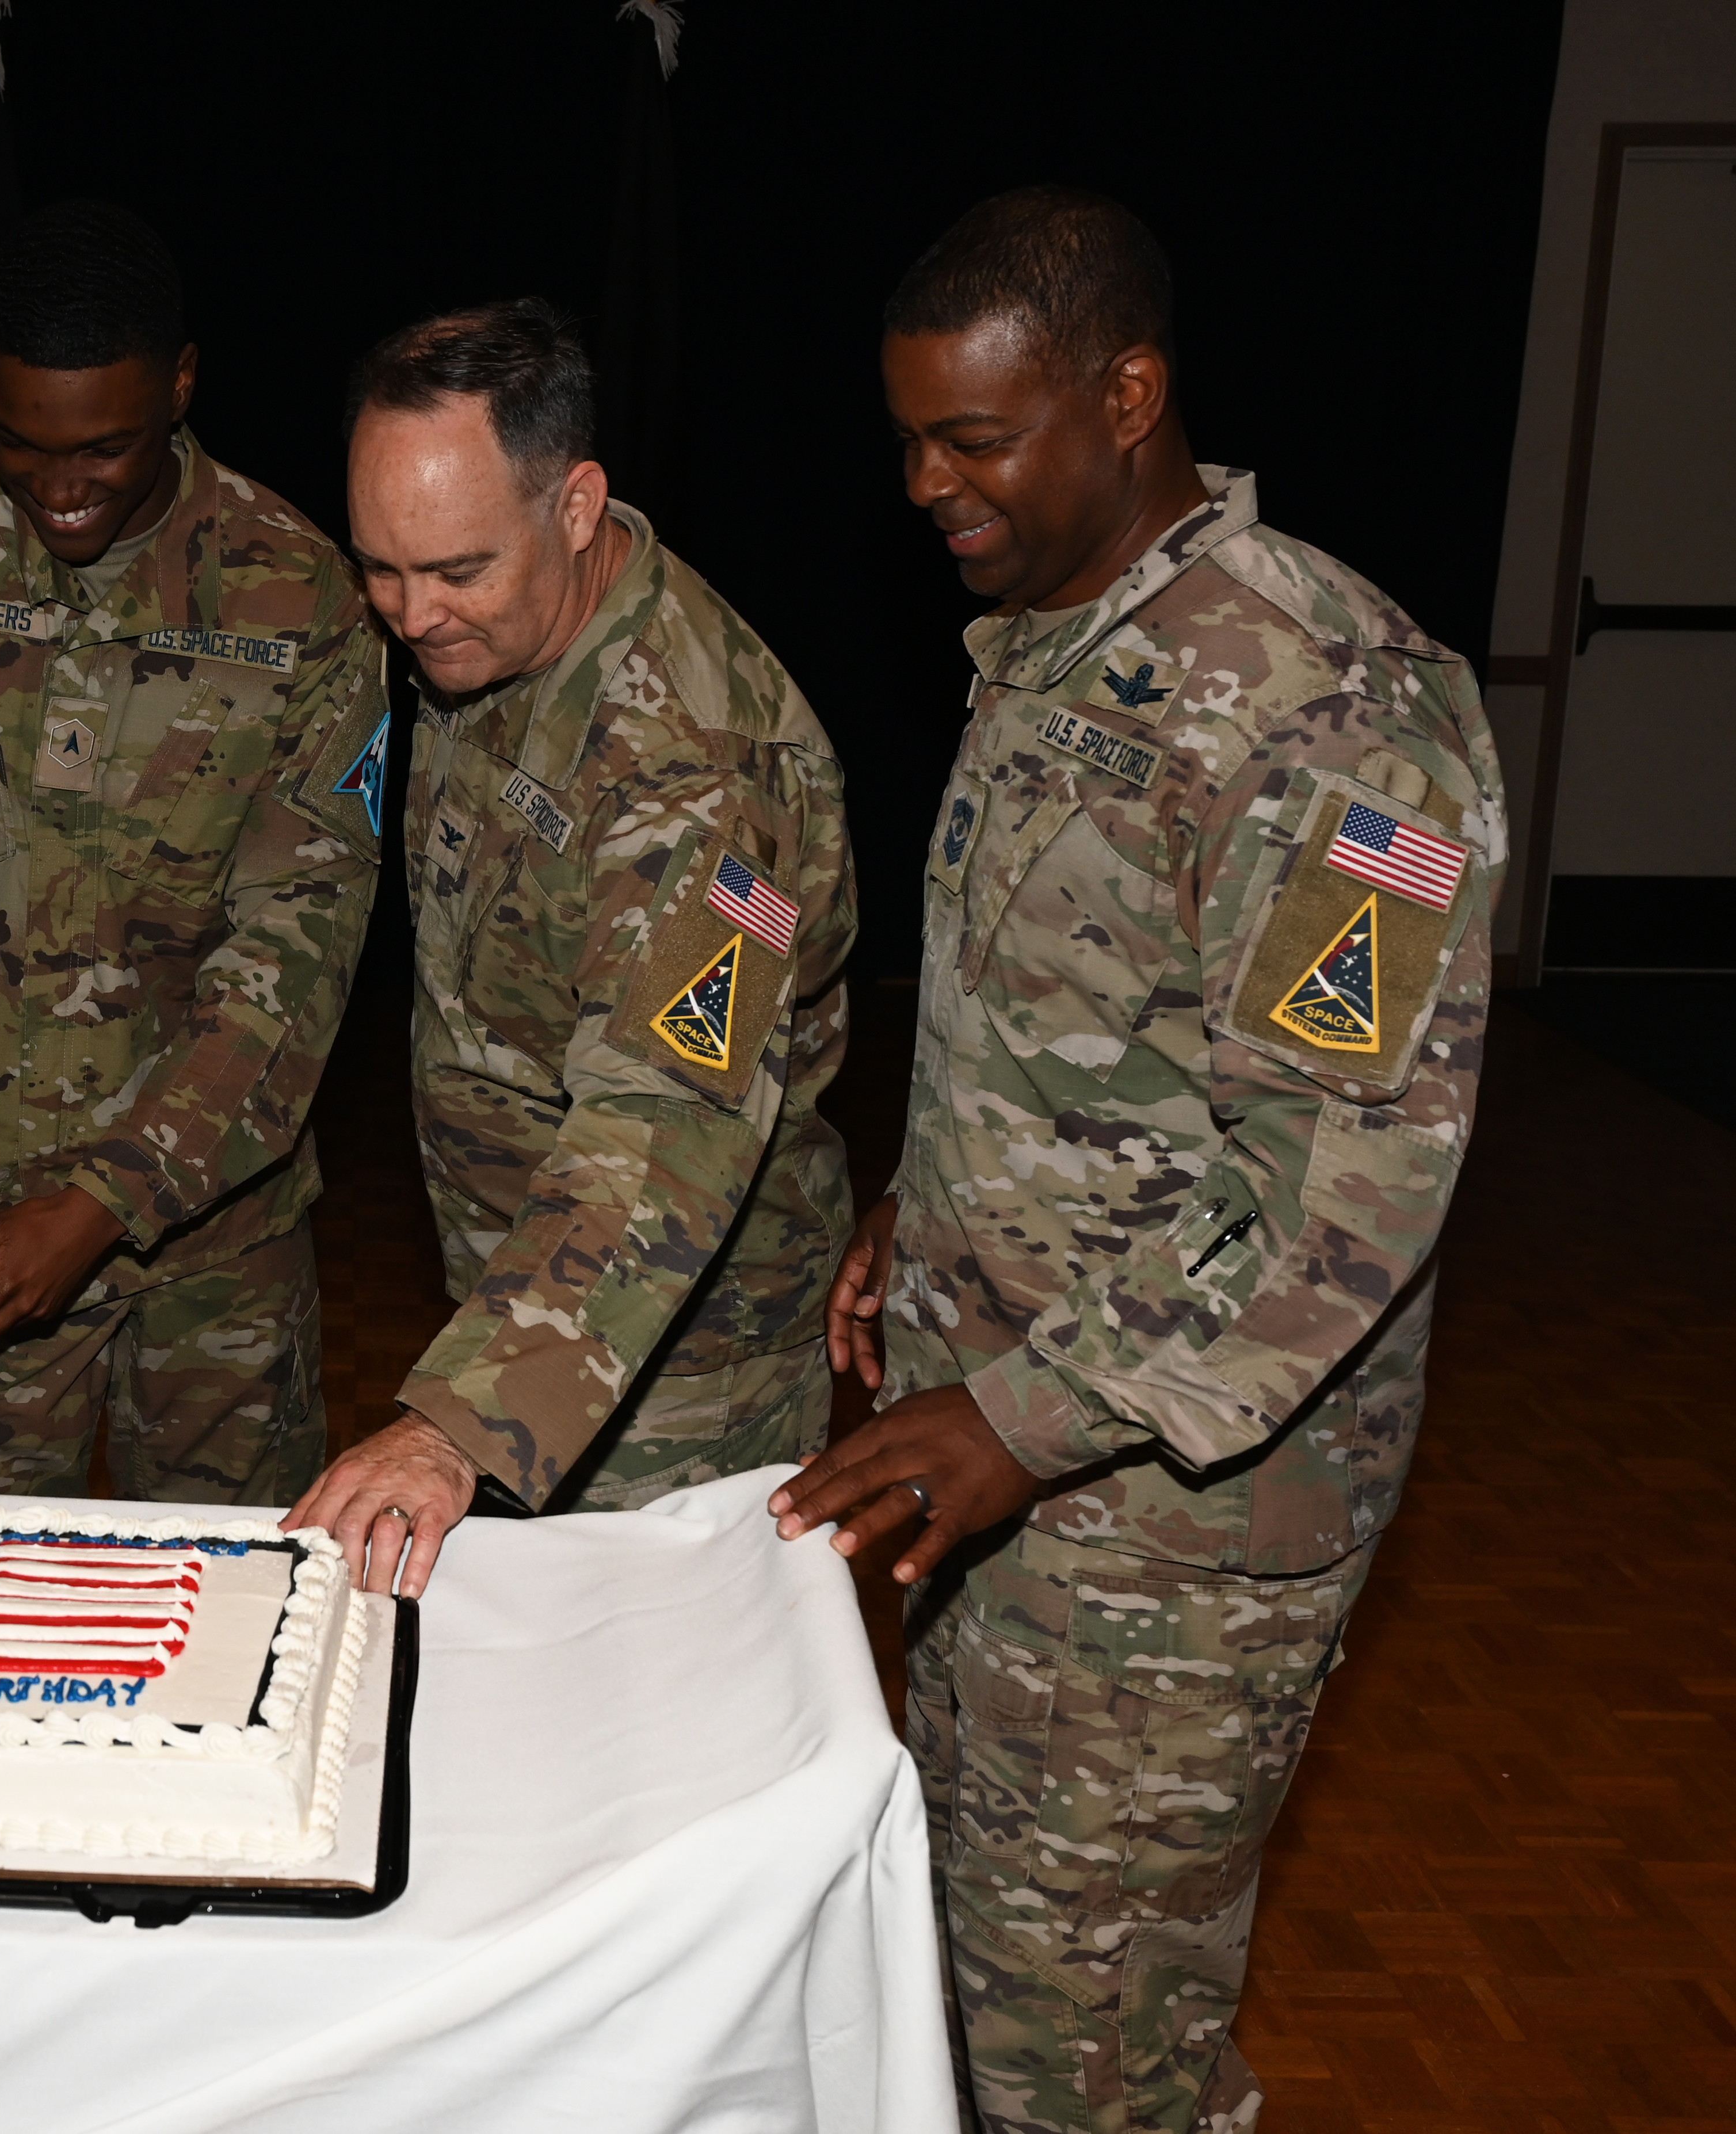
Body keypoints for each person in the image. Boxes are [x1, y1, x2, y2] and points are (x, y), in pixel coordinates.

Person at [774, 188, 1504, 2132]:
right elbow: (1095, 1051)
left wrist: (1020, 1406)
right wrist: (919, 1218)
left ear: (1128, 394)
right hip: (1020, 1460)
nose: (926, 482)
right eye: (909, 437)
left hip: (1176, 1524)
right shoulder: (1056, 644)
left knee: (1085, 2052)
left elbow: (1346, 1191)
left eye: (975, 437)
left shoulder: (1332, 710)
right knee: (1000, 1984)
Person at [0, 199, 387, 1503]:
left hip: (217, 1243)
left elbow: (294, 952)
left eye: (106, 450)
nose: (61, 490)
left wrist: (108, 1201)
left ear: (181, 385)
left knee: (231, 1625)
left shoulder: (298, 593)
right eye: (20, 444)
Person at [289, 300, 857, 1597]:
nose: (411, 614)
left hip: (669, 1374)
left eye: (456, 570)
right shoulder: (500, 639)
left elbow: (663, 1123)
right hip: (524, 1313)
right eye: (380, 565)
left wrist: (456, 1422)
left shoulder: (698, 777)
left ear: (579, 504)